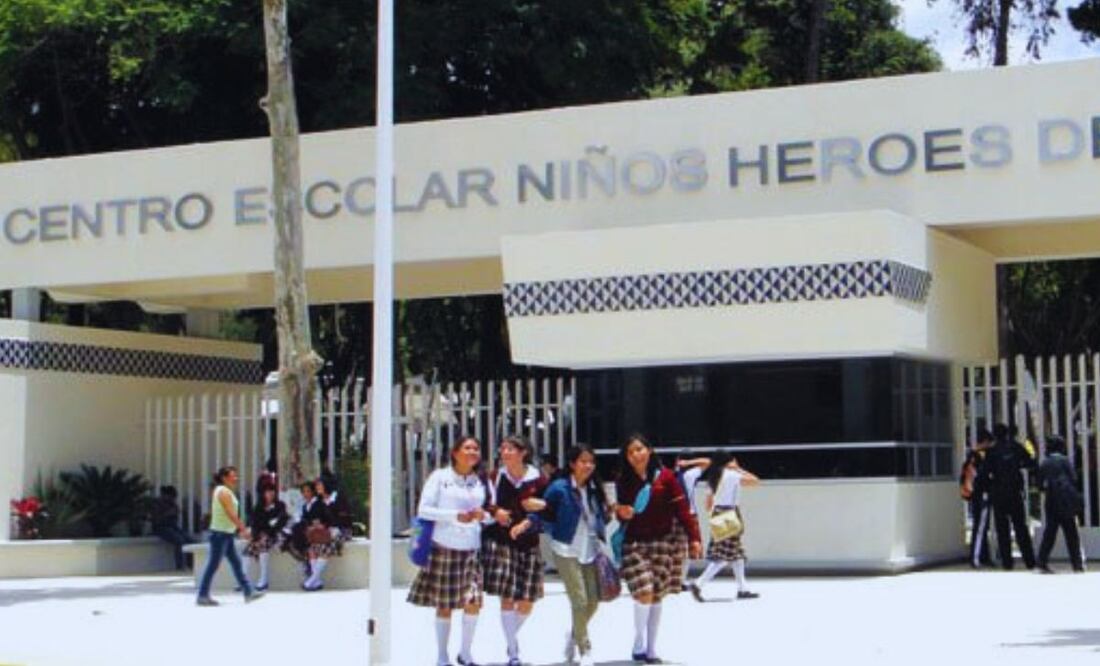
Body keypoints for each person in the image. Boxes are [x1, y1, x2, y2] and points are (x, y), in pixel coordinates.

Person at [615, 434, 702, 665]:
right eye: (630, 452)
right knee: (643, 592)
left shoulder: (667, 477)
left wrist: (694, 538)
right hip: (634, 542)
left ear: (649, 450)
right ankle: (638, 641)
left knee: (656, 595)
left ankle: (651, 648)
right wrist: (621, 512)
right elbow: (622, 510)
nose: (636, 455)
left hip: (663, 541)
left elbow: (682, 509)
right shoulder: (623, 479)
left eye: (639, 449)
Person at [408, 435, 489, 666]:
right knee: (445, 605)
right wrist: (454, 516)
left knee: (473, 601)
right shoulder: (440, 477)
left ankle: (465, 653)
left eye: (476, 448)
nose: (472, 452)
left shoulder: (481, 480)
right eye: (467, 448)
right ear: (455, 452)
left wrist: (484, 515)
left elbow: (490, 513)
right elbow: (424, 510)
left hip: (472, 548)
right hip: (444, 546)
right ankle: (442, 655)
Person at [541, 444, 610, 666]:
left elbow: (600, 517)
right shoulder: (559, 488)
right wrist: (554, 532)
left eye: (591, 462)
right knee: (579, 601)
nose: (588, 466)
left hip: (589, 549)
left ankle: (573, 634)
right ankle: (585, 649)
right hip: (565, 549)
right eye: (583, 461)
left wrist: (608, 514)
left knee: (593, 602)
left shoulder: (594, 488)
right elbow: (544, 512)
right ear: (572, 464)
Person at [482, 435, 548, 666]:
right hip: (501, 541)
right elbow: (484, 502)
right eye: (502, 449)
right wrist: (496, 511)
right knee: (507, 596)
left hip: (528, 543)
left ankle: (510, 636)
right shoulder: (495, 477)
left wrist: (531, 518)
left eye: (510, 449)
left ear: (523, 453)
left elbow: (548, 509)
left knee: (527, 601)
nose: (505, 453)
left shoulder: (538, 479)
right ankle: (513, 653)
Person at [686, 452, 761, 601]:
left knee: (736, 554)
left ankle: (743, 589)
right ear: (728, 462)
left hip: (718, 513)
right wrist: (738, 469)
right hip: (729, 514)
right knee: (724, 556)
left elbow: (708, 505)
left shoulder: (713, 478)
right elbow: (755, 481)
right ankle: (698, 584)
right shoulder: (732, 474)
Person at [195, 466, 264, 606]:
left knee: (236, 563)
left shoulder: (224, 491)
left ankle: (248, 592)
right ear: (224, 478)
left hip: (226, 533)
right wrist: (243, 529)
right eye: (232, 476)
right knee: (213, 565)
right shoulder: (223, 492)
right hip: (220, 534)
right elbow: (230, 514)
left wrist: (237, 530)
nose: (235, 478)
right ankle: (202, 595)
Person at [984, 423, 1038, 570]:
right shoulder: (1016, 447)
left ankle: (1007, 562)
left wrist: (989, 487)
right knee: (1021, 527)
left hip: (998, 493)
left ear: (995, 435)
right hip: (1015, 492)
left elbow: (985, 472)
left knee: (1002, 530)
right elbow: (1031, 462)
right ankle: (1030, 561)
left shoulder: (992, 451)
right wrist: (1017, 466)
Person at [1037, 435, 1085, 573]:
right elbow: (1074, 479)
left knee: (1050, 533)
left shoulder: (1045, 463)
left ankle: (1042, 562)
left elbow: (1040, 484)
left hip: (1051, 501)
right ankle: (1077, 564)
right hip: (1065, 502)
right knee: (1071, 534)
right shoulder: (1065, 461)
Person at [308, 472, 352, 590]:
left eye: (319, 485)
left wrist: (328, 526)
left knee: (326, 547)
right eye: (316, 485)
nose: (317, 488)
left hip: (342, 530)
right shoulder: (319, 502)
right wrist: (317, 524)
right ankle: (317, 581)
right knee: (312, 549)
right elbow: (315, 517)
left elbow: (343, 518)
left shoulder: (338, 498)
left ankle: (311, 580)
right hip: (327, 531)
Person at [245, 478, 289, 591]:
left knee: (263, 543)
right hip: (261, 536)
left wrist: (269, 530)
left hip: (275, 535)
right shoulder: (258, 507)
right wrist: (256, 534)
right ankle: (243, 579)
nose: (270, 493)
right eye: (267, 491)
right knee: (249, 549)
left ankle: (263, 578)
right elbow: (255, 523)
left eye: (272, 491)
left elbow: (281, 521)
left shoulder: (280, 506)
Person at [960, 429, 995, 568]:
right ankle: (975, 557)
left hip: (975, 495)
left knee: (981, 526)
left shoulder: (971, 455)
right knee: (980, 527)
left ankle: (983, 555)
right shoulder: (980, 456)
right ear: (985, 442)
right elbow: (982, 477)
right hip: (982, 495)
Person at [150, 485, 193, 570]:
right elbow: (156, 520)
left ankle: (191, 565)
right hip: (161, 528)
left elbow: (175, 516)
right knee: (179, 541)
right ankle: (180, 566)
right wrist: (168, 514)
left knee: (190, 540)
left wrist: (175, 513)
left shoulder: (172, 504)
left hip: (173, 527)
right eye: (171, 497)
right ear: (165, 495)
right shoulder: (157, 504)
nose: (172, 499)